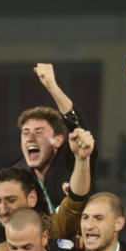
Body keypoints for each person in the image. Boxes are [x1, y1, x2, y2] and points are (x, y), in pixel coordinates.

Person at [14, 63, 97, 215]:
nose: (30, 138)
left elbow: (77, 127)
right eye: (25, 133)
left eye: (39, 132)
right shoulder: (17, 176)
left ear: (58, 140)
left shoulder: (72, 159)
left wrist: (53, 87)